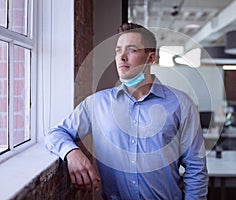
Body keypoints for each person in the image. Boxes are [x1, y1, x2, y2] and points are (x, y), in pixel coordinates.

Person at [45, 22, 208, 199]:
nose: (121, 57)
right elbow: (56, 133)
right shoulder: (97, 104)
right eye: (118, 50)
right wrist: (71, 152)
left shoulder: (181, 104)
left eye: (131, 50)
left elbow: (195, 168)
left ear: (151, 58)